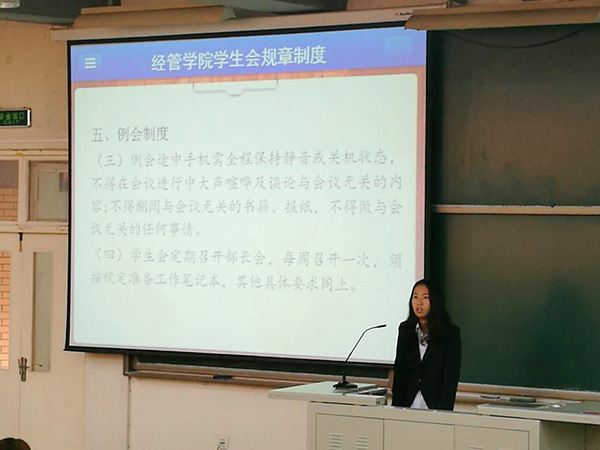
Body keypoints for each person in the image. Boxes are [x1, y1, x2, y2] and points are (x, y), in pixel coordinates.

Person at [391, 279, 461, 411]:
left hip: (435, 407)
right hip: (406, 405)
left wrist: (443, 412)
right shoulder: (406, 330)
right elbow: (400, 371)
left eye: (425, 297)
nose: (419, 302)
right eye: (415, 297)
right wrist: (396, 409)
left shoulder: (450, 334)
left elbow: (450, 377)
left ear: (435, 301)